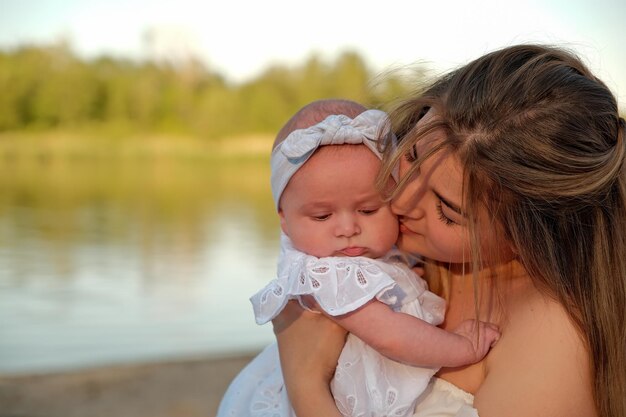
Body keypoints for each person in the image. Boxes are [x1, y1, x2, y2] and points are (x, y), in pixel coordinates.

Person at [272, 44, 626, 417]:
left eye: (447, 211)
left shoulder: (551, 342)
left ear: (530, 236)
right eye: (411, 156)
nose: (400, 199)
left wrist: (304, 381)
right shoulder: (391, 245)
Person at [217, 99, 500, 417]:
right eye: (323, 216)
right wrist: (462, 347)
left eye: (368, 210)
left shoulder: (380, 255)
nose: (349, 228)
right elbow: (391, 336)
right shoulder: (325, 273)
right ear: (284, 220)